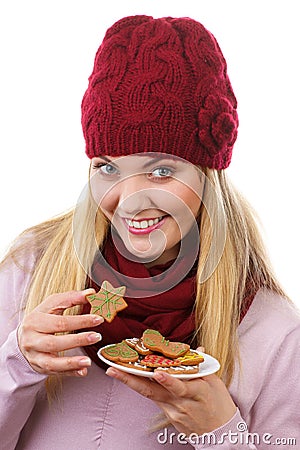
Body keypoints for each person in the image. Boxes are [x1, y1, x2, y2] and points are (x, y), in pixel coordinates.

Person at [0, 14, 299, 450]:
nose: (130, 200)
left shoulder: (273, 333)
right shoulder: (31, 270)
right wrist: (17, 366)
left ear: (208, 175)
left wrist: (223, 435)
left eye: (160, 170)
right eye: (108, 167)